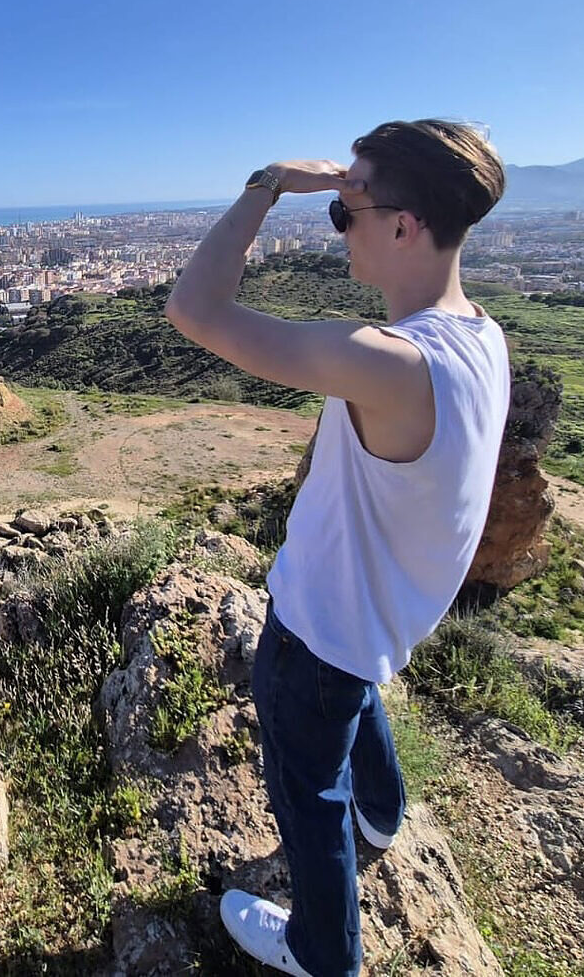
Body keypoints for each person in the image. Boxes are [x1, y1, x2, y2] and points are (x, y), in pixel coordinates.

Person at [163, 119, 512, 977]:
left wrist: (268, 184)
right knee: (356, 691)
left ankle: (325, 952)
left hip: (320, 628)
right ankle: (383, 812)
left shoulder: (390, 364)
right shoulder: (482, 335)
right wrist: (339, 190)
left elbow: (193, 309)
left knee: (307, 790)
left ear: (405, 227)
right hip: (384, 616)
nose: (338, 226)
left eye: (345, 212)